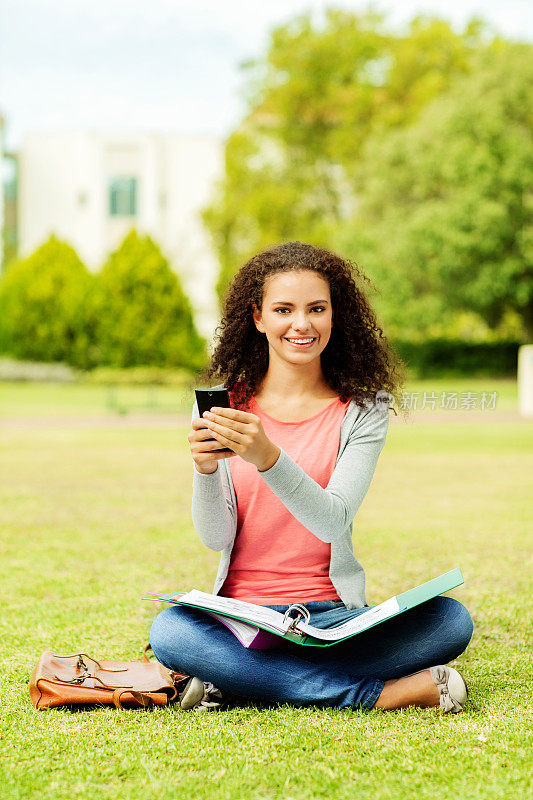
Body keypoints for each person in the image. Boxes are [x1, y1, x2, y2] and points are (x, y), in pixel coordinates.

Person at [150, 241, 474, 713]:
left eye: (316, 309)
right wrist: (204, 470)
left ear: (333, 315)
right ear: (258, 317)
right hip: (245, 621)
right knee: (170, 631)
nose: (301, 325)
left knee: (450, 621)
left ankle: (246, 683)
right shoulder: (226, 407)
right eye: (284, 309)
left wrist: (267, 457)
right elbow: (214, 535)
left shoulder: (363, 409)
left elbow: (332, 520)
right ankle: (374, 694)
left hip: (332, 622)